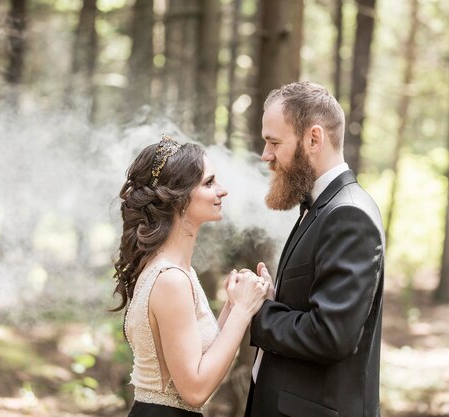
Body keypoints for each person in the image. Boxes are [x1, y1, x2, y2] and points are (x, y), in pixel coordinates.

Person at [244, 82, 385, 417]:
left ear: (314, 138)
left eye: (274, 142)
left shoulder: (348, 214)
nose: (266, 155)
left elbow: (331, 334)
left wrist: (257, 311)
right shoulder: (324, 207)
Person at [111, 135, 271, 417]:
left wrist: (235, 305)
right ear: (179, 199)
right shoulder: (170, 279)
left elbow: (205, 368)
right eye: (209, 183)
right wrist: (243, 312)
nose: (222, 191)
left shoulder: (179, 272)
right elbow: (195, 391)